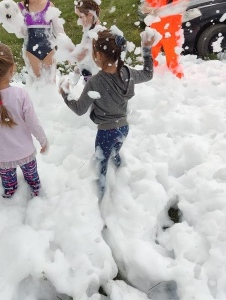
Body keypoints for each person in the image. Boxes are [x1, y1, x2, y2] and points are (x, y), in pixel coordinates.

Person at [60, 28, 154, 199]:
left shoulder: (95, 82)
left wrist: (66, 95)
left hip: (105, 132)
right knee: (115, 152)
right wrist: (146, 50)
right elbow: (148, 74)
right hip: (124, 128)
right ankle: (122, 174)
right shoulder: (127, 73)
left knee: (100, 166)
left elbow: (80, 109)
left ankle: (102, 199)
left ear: (99, 56)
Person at [0, 42, 48, 198]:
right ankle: (37, 197)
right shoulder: (20, 95)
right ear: (12, 68)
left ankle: (9, 201)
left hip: (2, 156)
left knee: (9, 187)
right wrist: (43, 141)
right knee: (34, 182)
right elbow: (33, 123)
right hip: (26, 153)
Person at [17, 0, 66, 79]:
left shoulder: (48, 5)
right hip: (31, 50)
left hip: (49, 49)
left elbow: (59, 30)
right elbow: (20, 33)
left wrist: (66, 46)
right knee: (37, 83)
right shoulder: (20, 7)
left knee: (50, 83)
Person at [140, 0, 184, 78]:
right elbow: (143, 9)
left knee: (173, 61)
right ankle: (150, 78)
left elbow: (182, 6)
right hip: (155, 32)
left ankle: (178, 82)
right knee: (151, 59)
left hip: (172, 34)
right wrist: (154, 10)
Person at [70, 0, 102, 83]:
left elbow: (80, 57)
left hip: (98, 82)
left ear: (90, 15)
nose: (79, 21)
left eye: (81, 17)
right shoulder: (90, 31)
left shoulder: (93, 34)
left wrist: (66, 51)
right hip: (94, 78)